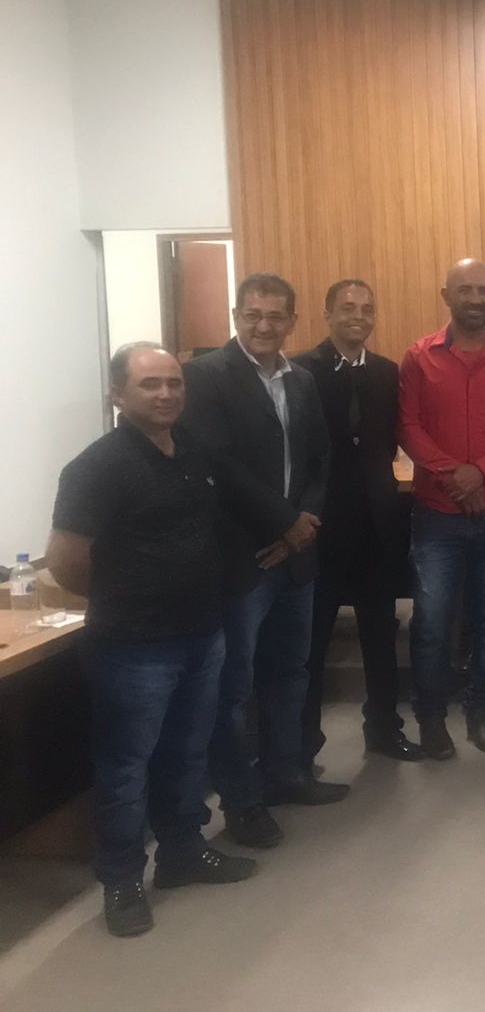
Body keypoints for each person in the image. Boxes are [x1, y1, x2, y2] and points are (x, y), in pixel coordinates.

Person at [49, 344, 256, 938]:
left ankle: (183, 853)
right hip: (132, 646)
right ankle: (120, 881)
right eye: (149, 385)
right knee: (124, 768)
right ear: (118, 395)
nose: (166, 394)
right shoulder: (95, 467)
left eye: (173, 383)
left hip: (200, 634)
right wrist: (128, 599)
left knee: (185, 755)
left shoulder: (191, 451)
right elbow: (66, 563)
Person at [181, 273, 342, 851]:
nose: (264, 326)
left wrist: (303, 525)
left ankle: (286, 774)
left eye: (276, 317)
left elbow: (320, 460)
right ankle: (241, 802)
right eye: (253, 315)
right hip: (244, 557)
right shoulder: (204, 378)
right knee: (234, 685)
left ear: (293, 322)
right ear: (235, 314)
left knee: (288, 673)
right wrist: (283, 523)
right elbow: (220, 465)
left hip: (295, 555)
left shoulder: (300, 379)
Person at [398, 259, 485, 757]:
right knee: (433, 620)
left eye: (484, 290)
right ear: (446, 295)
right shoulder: (419, 358)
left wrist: (479, 470)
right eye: (466, 290)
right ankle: (432, 718)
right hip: (438, 514)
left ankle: (481, 710)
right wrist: (454, 476)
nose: (476, 298)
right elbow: (408, 426)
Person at [295, 280, 421, 766]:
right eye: (347, 308)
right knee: (312, 642)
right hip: (318, 528)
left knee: (380, 635)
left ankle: (385, 729)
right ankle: (303, 747)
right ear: (327, 314)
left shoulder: (388, 372)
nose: (358, 316)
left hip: (377, 525)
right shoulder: (301, 371)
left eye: (367, 309)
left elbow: (388, 443)